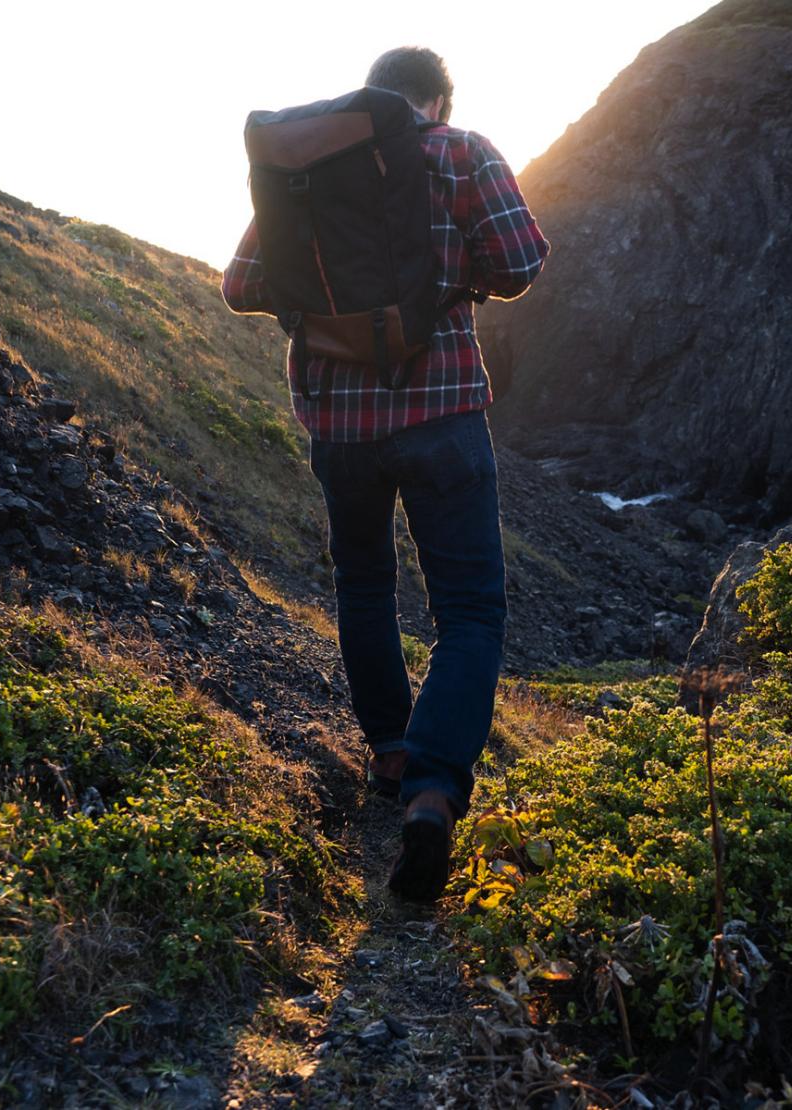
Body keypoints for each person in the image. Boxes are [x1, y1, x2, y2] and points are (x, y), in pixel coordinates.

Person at [221, 46, 549, 902]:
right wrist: (449, 282)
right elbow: (520, 262)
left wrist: (329, 310)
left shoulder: (307, 164)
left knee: (364, 587)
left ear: (373, 93)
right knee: (469, 610)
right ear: (438, 100)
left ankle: (392, 754)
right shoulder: (461, 151)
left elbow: (242, 284)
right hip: (441, 414)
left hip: (339, 422)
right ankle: (432, 793)